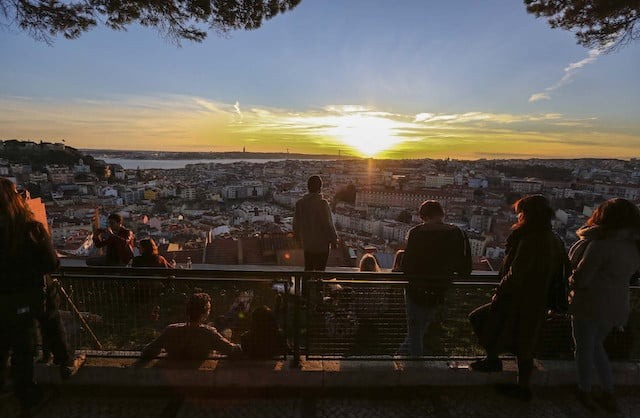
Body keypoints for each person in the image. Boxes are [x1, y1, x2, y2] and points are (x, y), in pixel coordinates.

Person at [468, 195, 569, 401]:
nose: (519, 216)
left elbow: (517, 273)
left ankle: (502, 367)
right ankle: (508, 372)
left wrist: (500, 292)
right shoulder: (554, 239)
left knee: (480, 318)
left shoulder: (531, 238)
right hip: (539, 300)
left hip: (519, 299)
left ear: (527, 214)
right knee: (526, 342)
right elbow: (564, 270)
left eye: (521, 212)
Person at [568, 198, 640, 412]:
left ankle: (585, 390)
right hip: (617, 306)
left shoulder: (601, 244)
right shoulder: (634, 246)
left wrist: (570, 279)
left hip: (590, 304)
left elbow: (582, 278)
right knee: (597, 347)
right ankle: (608, 391)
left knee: (584, 349)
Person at [0, 178, 59, 412]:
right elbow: (51, 263)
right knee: (23, 349)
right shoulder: (30, 229)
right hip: (22, 299)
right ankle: (27, 396)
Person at [398, 200, 472, 357]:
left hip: (415, 289)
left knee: (415, 328)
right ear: (442, 214)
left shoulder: (416, 233)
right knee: (421, 327)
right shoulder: (459, 234)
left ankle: (415, 367)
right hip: (440, 289)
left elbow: (407, 265)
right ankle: (400, 355)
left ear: (422, 217)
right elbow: (465, 268)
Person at [140, 292, 241, 361]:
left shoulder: (171, 330)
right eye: (209, 310)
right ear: (204, 314)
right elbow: (232, 350)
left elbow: (147, 351)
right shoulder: (208, 333)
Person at [293, 175, 338, 271]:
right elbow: (328, 224)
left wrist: (297, 238)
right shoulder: (322, 204)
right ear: (320, 188)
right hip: (322, 246)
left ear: (308, 187)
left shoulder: (300, 203)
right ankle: (318, 286)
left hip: (307, 244)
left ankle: (306, 286)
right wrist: (334, 240)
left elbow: (296, 224)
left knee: (308, 269)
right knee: (320, 272)